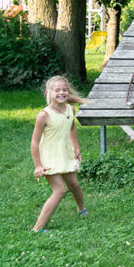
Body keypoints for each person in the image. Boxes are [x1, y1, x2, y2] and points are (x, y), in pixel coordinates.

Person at [30, 76, 88, 232]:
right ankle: (37, 228)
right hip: (49, 157)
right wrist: (38, 166)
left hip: (65, 153)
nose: (61, 93)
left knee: (74, 185)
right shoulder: (44, 115)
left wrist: (76, 147)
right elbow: (34, 143)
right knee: (60, 190)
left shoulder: (70, 109)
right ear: (49, 93)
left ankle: (81, 209)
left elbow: (71, 128)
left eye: (65, 90)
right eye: (57, 90)